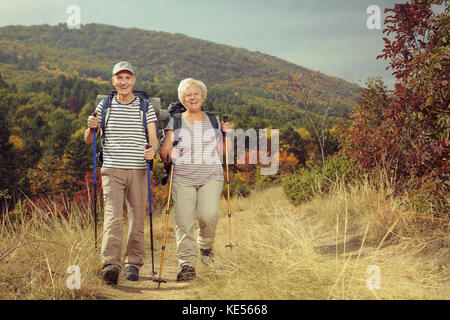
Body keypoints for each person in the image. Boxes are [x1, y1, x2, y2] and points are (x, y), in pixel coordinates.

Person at [84, 61, 159, 285]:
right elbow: (89, 139)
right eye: (120, 78)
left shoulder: (145, 106)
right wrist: (90, 126)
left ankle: (133, 264)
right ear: (113, 81)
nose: (124, 82)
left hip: (138, 169)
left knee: (137, 217)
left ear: (133, 81)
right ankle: (110, 265)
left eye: (128, 78)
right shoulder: (104, 106)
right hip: (112, 169)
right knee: (113, 216)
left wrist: (152, 151)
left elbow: (153, 139)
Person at [160, 78, 232, 281]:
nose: (192, 98)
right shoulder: (175, 121)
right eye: (187, 95)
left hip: (211, 175)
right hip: (183, 177)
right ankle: (187, 265)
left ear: (203, 96)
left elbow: (224, 152)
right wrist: (168, 152)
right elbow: (164, 154)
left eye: (195, 94)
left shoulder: (213, 119)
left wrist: (227, 135)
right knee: (184, 221)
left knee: (208, 216)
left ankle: (206, 247)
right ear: (182, 99)